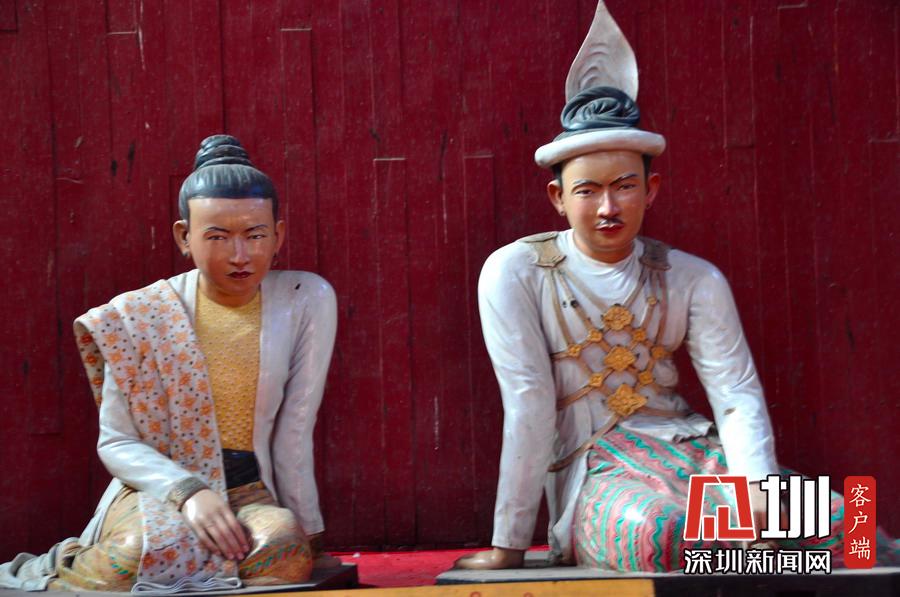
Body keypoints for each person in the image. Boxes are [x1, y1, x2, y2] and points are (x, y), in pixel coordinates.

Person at [456, 87, 900, 571]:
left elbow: (734, 392)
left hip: (692, 448)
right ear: (558, 197)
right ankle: (761, 565)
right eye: (588, 191)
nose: (608, 208)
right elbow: (529, 404)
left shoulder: (692, 277)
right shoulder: (518, 271)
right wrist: (510, 543)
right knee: (665, 536)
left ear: (651, 190)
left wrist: (756, 484)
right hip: (597, 467)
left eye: (625, 186)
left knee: (854, 524)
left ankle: (764, 565)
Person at [0, 135, 338, 591]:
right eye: (217, 237)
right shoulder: (141, 316)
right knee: (135, 556)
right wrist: (188, 492)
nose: (240, 255)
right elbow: (117, 441)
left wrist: (308, 536)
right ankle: (68, 565)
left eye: (255, 235)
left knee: (281, 553)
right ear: (184, 236)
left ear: (278, 235)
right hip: (158, 489)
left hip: (246, 491)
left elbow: (294, 432)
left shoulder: (303, 299)